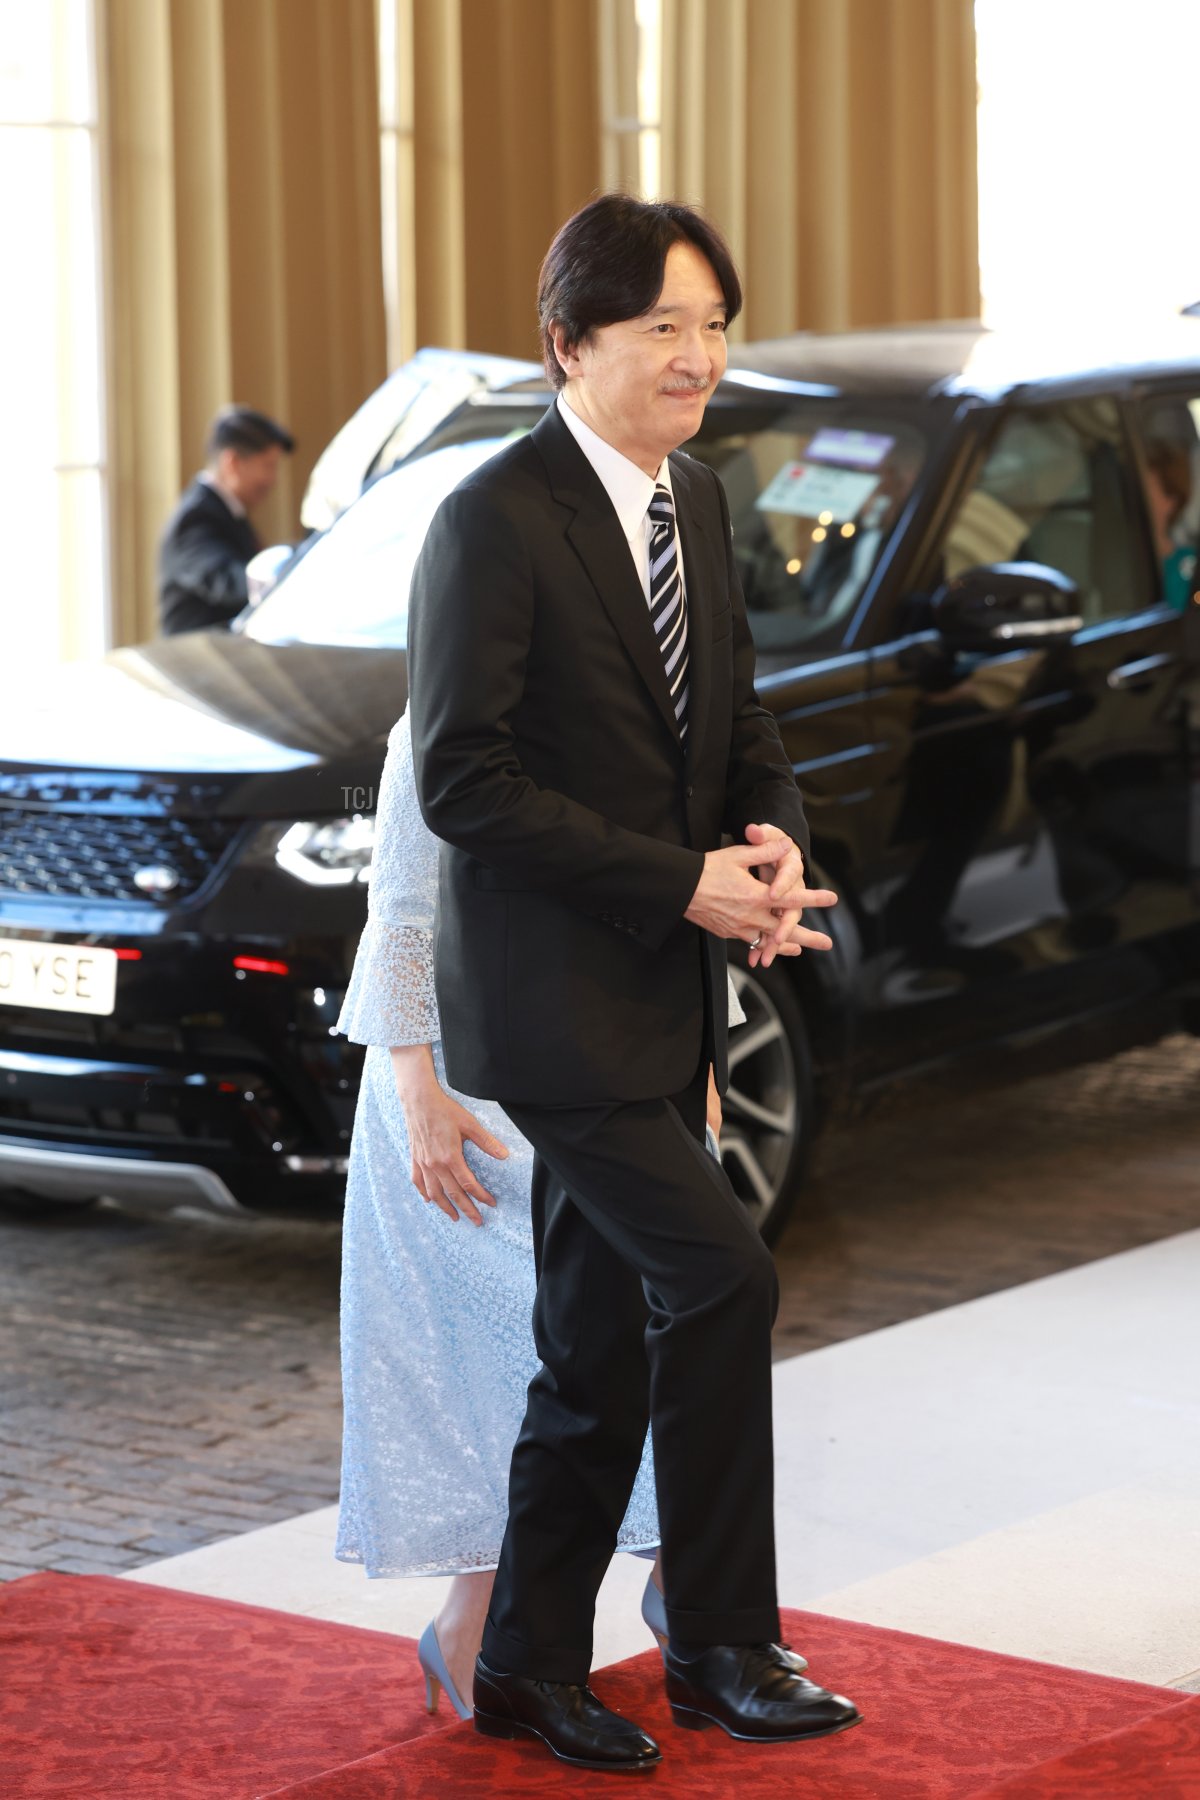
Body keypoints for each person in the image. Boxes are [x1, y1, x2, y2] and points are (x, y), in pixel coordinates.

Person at [406, 194, 860, 1772]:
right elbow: (464, 784)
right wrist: (681, 884)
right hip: (549, 1011)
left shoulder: (705, 506)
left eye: (715, 323)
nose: (699, 355)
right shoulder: (493, 520)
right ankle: (725, 1639)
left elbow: (745, 738)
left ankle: (529, 1661)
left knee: (596, 1346)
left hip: (665, 999)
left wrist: (773, 856)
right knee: (725, 1277)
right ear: (569, 345)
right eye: (663, 325)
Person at [158, 405, 294, 635]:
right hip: (198, 665)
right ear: (232, 463)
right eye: (267, 466)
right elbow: (229, 583)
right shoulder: (194, 519)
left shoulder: (226, 511)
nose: (272, 480)